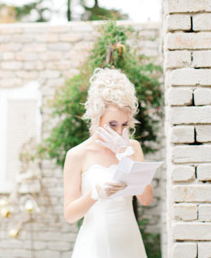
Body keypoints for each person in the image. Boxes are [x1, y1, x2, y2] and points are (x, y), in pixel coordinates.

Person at [63, 68, 153, 258]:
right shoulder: (77, 155)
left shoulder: (133, 148)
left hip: (128, 241)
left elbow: (146, 199)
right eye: (113, 124)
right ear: (97, 117)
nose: (119, 132)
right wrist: (95, 193)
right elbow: (70, 215)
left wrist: (125, 156)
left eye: (125, 125)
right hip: (95, 243)